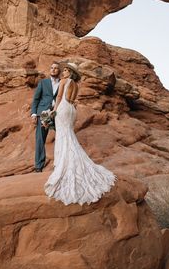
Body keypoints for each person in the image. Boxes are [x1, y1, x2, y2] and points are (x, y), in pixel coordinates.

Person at [44, 62, 116, 205]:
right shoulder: (76, 85)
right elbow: (72, 100)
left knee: (63, 135)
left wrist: (53, 111)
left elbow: (59, 97)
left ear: (70, 72)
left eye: (65, 70)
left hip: (63, 108)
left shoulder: (64, 81)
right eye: (63, 71)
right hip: (71, 110)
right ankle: (67, 161)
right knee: (69, 134)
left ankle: (62, 164)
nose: (62, 73)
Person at [31, 62, 61, 172]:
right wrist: (34, 114)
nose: (53, 70)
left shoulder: (62, 83)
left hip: (57, 114)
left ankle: (60, 163)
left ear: (59, 71)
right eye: (52, 68)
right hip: (42, 113)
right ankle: (39, 166)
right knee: (40, 140)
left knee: (62, 137)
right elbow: (36, 99)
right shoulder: (43, 82)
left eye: (56, 68)